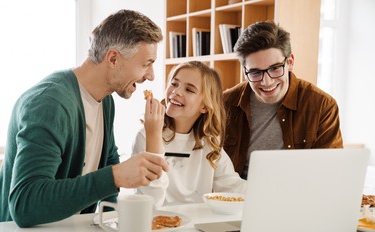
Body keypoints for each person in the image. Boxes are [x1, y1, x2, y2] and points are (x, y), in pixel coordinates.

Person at [0, 9, 168, 227]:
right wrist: (115, 177)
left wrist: (114, 220)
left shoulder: (105, 100)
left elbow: (108, 159)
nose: (151, 75)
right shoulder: (50, 104)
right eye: (146, 63)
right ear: (113, 58)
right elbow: (25, 203)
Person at [223, 21, 343, 179]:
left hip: (297, 197)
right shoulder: (225, 103)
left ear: (290, 62)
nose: (267, 82)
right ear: (245, 71)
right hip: (236, 198)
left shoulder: (322, 105)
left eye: (275, 68)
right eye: (255, 72)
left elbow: (331, 171)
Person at [132, 61, 246, 207]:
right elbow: (150, 202)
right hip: (157, 223)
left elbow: (232, 186)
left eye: (189, 90)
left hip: (196, 224)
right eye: (174, 84)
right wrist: (153, 134)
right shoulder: (146, 136)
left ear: (204, 106)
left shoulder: (209, 143)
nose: (176, 91)